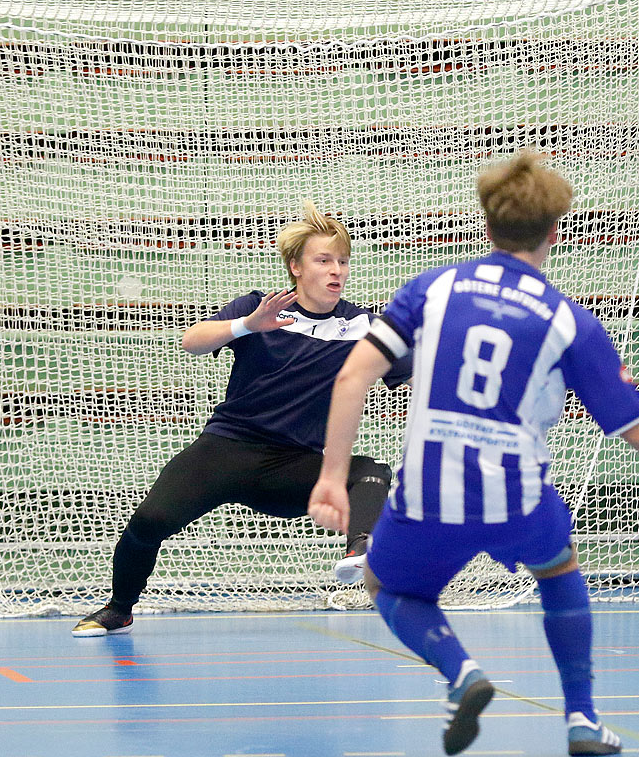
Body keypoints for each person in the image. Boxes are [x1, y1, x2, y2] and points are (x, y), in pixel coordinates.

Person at [307, 149, 639, 756]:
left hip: (429, 488)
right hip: (515, 493)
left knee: (385, 585)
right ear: (555, 233)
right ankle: (581, 717)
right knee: (557, 569)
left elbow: (353, 378)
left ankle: (461, 671)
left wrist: (332, 474)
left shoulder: (433, 288)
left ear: (485, 226)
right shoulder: (569, 322)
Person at [72, 202, 413, 636]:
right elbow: (191, 341)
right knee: (148, 523)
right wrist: (246, 326)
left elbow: (413, 378)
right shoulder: (259, 307)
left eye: (343, 261)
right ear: (296, 267)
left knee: (370, 471)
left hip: (293, 467)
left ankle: (360, 548)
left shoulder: (362, 325)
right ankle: (119, 608)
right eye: (323, 260)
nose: (337, 271)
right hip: (224, 450)